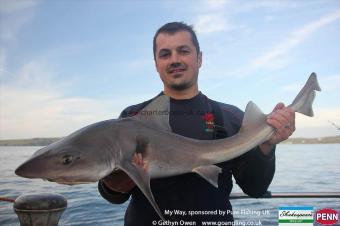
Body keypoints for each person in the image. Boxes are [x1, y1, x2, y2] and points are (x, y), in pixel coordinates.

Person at [98, 22, 295, 226]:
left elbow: (255, 188)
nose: (174, 60)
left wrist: (267, 145)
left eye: (183, 51)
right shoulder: (132, 118)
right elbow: (114, 197)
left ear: (199, 58)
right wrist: (117, 181)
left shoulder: (230, 117)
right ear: (156, 64)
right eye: (165, 54)